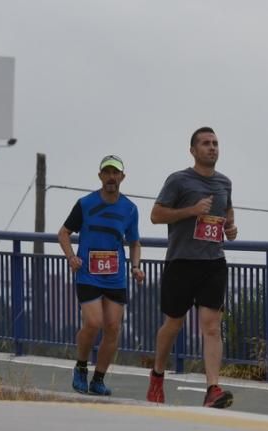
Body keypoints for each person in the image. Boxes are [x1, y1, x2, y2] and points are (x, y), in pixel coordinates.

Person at [146, 127, 238, 408]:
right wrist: (191, 211)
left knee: (211, 327)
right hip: (181, 261)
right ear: (193, 150)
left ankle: (212, 389)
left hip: (213, 262)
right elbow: (156, 215)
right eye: (206, 143)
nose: (212, 148)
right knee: (173, 323)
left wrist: (231, 227)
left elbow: (227, 211)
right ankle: (158, 375)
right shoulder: (178, 181)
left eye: (215, 143)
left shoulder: (224, 183)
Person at [58, 154, 144, 396]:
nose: (111, 177)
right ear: (99, 176)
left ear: (122, 177)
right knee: (94, 322)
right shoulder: (85, 204)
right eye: (106, 173)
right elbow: (63, 233)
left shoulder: (129, 209)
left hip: (115, 275)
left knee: (113, 327)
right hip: (88, 273)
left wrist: (136, 267)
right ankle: (81, 367)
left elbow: (135, 242)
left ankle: (99, 379)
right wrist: (71, 257)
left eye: (115, 173)